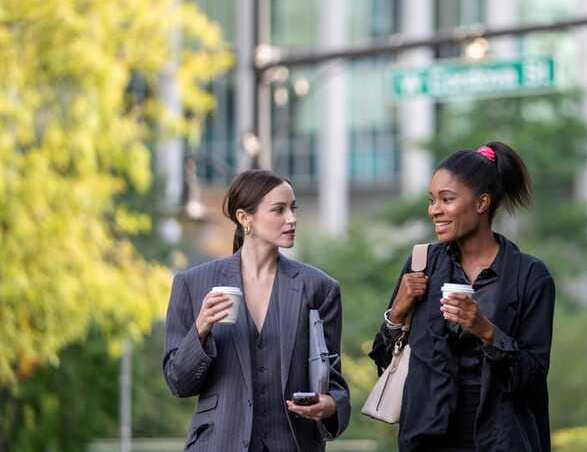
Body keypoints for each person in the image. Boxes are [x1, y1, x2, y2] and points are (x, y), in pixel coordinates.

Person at [369, 142, 556, 452]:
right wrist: (397, 314)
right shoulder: (422, 264)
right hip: (429, 439)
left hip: (502, 441)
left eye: (447, 199)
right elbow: (386, 362)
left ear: (482, 202)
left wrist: (484, 329)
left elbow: (533, 374)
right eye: (432, 200)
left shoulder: (529, 276)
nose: (434, 210)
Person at [163, 170, 350, 452]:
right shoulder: (193, 283)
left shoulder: (319, 288)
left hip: (294, 443)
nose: (291, 218)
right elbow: (178, 382)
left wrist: (331, 405)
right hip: (218, 444)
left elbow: (333, 380)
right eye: (279, 210)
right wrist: (200, 329)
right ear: (244, 218)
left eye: (293, 208)